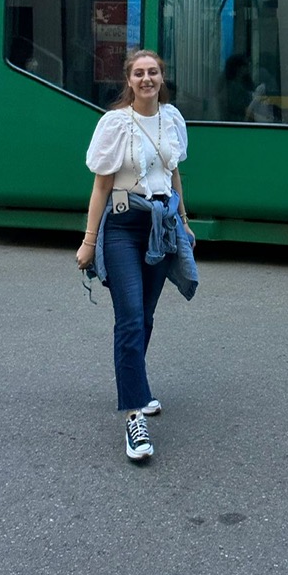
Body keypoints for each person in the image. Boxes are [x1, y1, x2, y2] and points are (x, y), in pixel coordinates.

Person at [76, 49, 197, 462]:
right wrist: (89, 240)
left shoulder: (172, 119)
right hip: (123, 227)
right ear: (129, 80)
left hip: (161, 226)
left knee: (145, 317)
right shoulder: (116, 124)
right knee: (129, 318)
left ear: (162, 78)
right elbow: (101, 186)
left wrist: (184, 221)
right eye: (139, 73)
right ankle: (133, 415)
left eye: (153, 72)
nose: (147, 79)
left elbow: (174, 173)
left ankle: (137, 389)